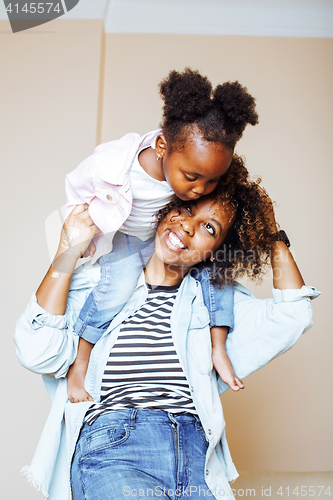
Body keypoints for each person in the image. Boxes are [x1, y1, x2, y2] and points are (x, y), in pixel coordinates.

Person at [14, 164, 320, 500]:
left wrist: (271, 233)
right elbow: (36, 349)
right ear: (166, 208)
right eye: (185, 209)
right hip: (116, 449)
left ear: (216, 251)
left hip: (196, 459)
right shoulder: (98, 286)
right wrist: (66, 251)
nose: (187, 227)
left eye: (208, 227)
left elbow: (293, 315)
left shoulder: (216, 309)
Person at [64, 68, 259, 401]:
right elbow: (76, 183)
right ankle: (81, 362)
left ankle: (218, 347)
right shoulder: (115, 168)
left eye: (211, 181)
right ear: (161, 146)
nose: (200, 190)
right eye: (192, 177)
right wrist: (80, 228)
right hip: (125, 239)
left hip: (163, 235)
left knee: (218, 269)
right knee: (118, 286)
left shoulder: (189, 178)